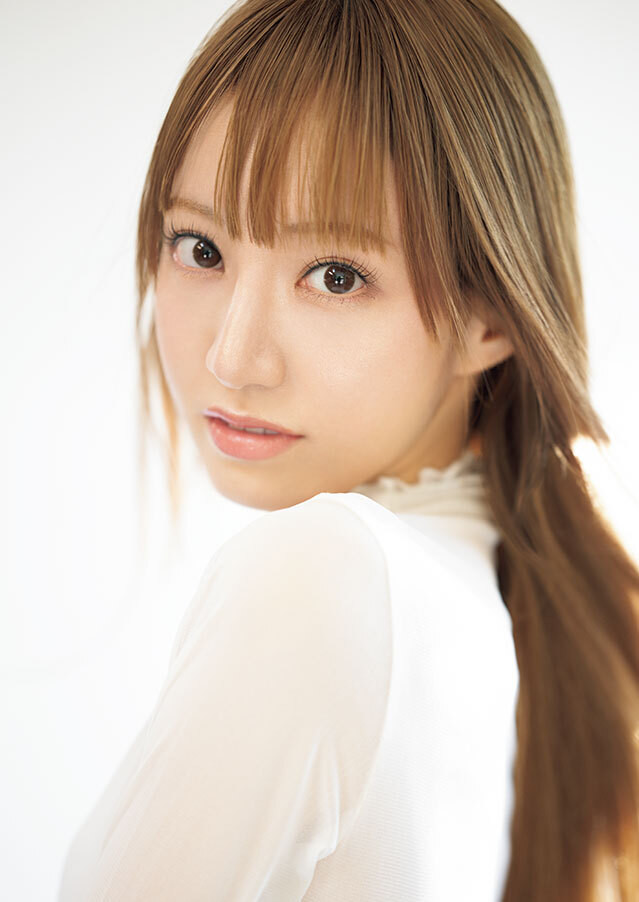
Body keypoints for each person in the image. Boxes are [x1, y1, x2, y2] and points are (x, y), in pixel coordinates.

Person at [57, 0, 639, 899]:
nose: (232, 358)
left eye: (335, 276)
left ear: (490, 316)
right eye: (200, 248)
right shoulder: (497, 597)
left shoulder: (329, 573)